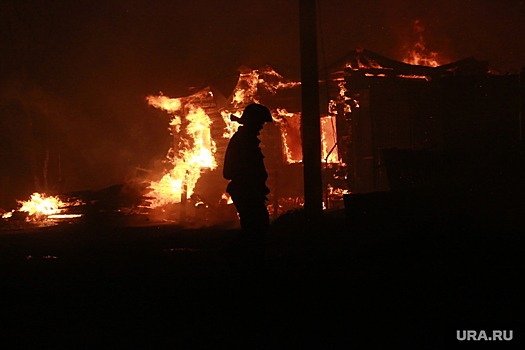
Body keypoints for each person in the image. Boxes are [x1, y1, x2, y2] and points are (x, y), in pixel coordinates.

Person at [223, 103, 273, 237]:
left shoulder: (246, 140)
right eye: (260, 122)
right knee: (256, 228)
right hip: (247, 192)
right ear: (253, 122)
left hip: (250, 192)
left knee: (257, 227)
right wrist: (252, 185)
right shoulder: (243, 141)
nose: (261, 126)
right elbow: (230, 171)